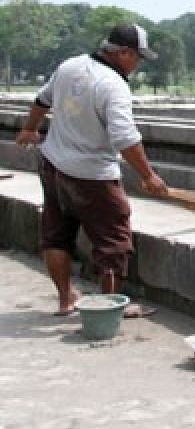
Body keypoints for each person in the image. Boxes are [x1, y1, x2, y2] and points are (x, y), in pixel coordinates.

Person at [15, 23, 170, 318]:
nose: (137, 65)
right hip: (93, 174)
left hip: (53, 165)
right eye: (137, 57)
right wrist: (148, 176)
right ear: (123, 53)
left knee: (56, 235)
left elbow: (41, 100)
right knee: (113, 241)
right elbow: (125, 137)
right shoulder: (113, 85)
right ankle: (107, 309)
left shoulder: (70, 66)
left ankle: (66, 300)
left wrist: (28, 129)